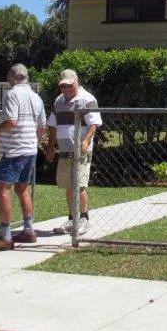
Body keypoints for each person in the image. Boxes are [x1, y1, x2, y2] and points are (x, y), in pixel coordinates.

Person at [0, 64, 46, 252]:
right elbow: (42, 128)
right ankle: (29, 230)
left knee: (2, 190)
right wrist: (33, 141)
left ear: (12, 77)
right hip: (30, 151)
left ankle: (6, 237)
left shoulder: (12, 94)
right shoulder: (36, 97)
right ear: (26, 77)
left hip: (13, 151)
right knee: (22, 189)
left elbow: (11, 122)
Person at [45, 69, 101, 236]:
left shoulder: (88, 99)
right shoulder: (59, 101)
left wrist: (86, 141)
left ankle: (84, 220)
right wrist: (50, 147)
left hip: (81, 151)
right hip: (64, 151)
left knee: (79, 186)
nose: (66, 89)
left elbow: (94, 124)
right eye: (63, 86)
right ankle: (72, 219)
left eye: (69, 85)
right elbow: (52, 126)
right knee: (69, 187)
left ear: (77, 82)